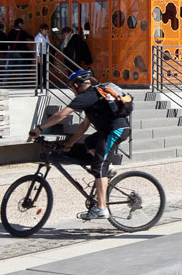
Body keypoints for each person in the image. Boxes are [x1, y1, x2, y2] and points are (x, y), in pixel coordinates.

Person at [29, 69, 132, 221]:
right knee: (89, 142)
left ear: (76, 85)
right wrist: (70, 143)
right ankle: (107, 170)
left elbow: (62, 114)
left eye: (72, 88)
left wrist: (38, 129)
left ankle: (102, 208)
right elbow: (84, 125)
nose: (72, 91)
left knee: (98, 167)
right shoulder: (95, 96)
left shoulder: (87, 96)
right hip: (110, 130)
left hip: (116, 130)